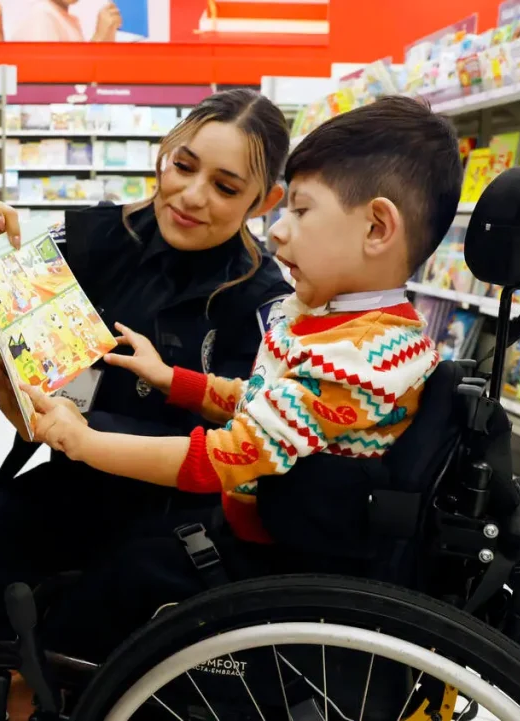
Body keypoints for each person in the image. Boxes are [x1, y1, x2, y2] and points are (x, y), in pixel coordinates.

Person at [0, 89, 291, 667]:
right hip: (79, 485)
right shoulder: (100, 238)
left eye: (225, 187)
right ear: (163, 154)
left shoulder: (262, 298)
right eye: (184, 165)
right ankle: (62, 669)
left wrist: (89, 425)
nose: (191, 196)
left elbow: (244, 445)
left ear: (265, 199)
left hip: (180, 517)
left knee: (102, 619)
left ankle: (67, 672)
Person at [24, 96, 461, 547]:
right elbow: (264, 398)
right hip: (239, 517)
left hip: (267, 546)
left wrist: (87, 442)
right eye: (183, 165)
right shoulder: (337, 323)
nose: (277, 231)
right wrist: (173, 379)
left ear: (376, 229)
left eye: (301, 210)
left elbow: (233, 453)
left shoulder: (357, 361)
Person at [0, 0, 122, 42]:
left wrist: (107, 34)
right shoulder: (41, 16)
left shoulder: (67, 18)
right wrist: (101, 36)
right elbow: (58, 85)